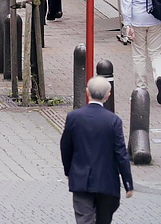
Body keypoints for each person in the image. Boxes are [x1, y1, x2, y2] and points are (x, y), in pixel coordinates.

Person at [60, 76, 133, 224]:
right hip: (107, 181)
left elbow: (65, 147)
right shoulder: (113, 121)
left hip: (81, 180)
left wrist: (69, 171)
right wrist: (128, 183)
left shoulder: (74, 117)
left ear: (87, 92)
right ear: (108, 95)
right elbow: (121, 154)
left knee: (84, 218)